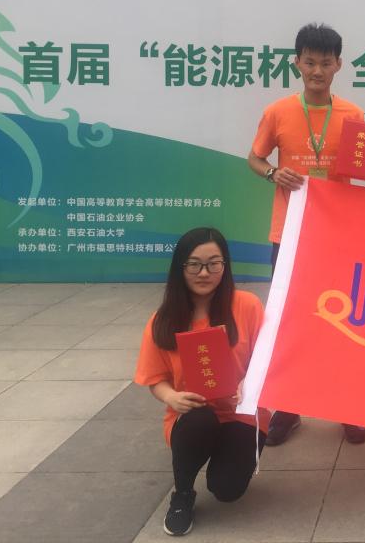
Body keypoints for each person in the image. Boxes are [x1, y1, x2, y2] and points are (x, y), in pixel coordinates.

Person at [248, 22, 365, 447]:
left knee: (343, 323)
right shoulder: (277, 112)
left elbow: (359, 169)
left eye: (326, 63)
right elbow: (255, 158)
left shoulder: (353, 114)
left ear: (338, 65)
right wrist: (273, 173)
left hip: (338, 235)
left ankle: (347, 408)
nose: (317, 71)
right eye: (310, 62)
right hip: (288, 234)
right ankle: (288, 410)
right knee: (290, 323)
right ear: (297, 63)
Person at [134, 227, 270, 537]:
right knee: (200, 420)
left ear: (225, 265)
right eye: (194, 264)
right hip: (192, 415)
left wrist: (249, 383)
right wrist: (171, 397)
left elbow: (268, 359)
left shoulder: (247, 306)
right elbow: (155, 379)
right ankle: (182, 494)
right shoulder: (163, 320)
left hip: (242, 414)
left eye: (213, 263)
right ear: (180, 267)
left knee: (227, 490)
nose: (204, 273)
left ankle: (226, 457)